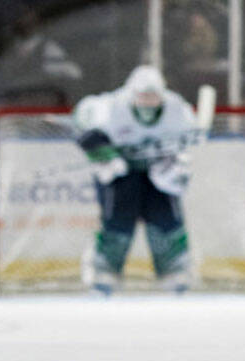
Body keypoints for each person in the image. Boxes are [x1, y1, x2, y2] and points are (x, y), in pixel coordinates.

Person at [72, 65, 203, 294]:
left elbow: (188, 144)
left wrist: (176, 166)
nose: (147, 102)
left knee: (165, 218)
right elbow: (85, 131)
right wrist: (107, 157)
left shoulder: (177, 109)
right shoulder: (111, 107)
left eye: (153, 97)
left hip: (159, 172)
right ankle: (104, 268)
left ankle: (175, 267)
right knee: (118, 220)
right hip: (120, 172)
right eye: (142, 96)